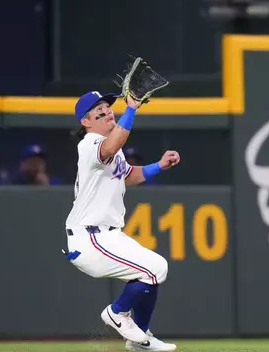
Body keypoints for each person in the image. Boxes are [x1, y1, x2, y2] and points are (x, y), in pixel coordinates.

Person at [64, 90, 180, 351]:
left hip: (108, 234)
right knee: (154, 268)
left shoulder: (111, 150)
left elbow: (128, 176)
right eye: (99, 111)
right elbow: (112, 145)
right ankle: (117, 313)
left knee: (153, 271)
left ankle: (140, 338)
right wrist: (132, 109)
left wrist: (159, 166)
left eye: (108, 107)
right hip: (90, 237)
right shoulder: (91, 143)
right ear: (86, 122)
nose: (107, 112)